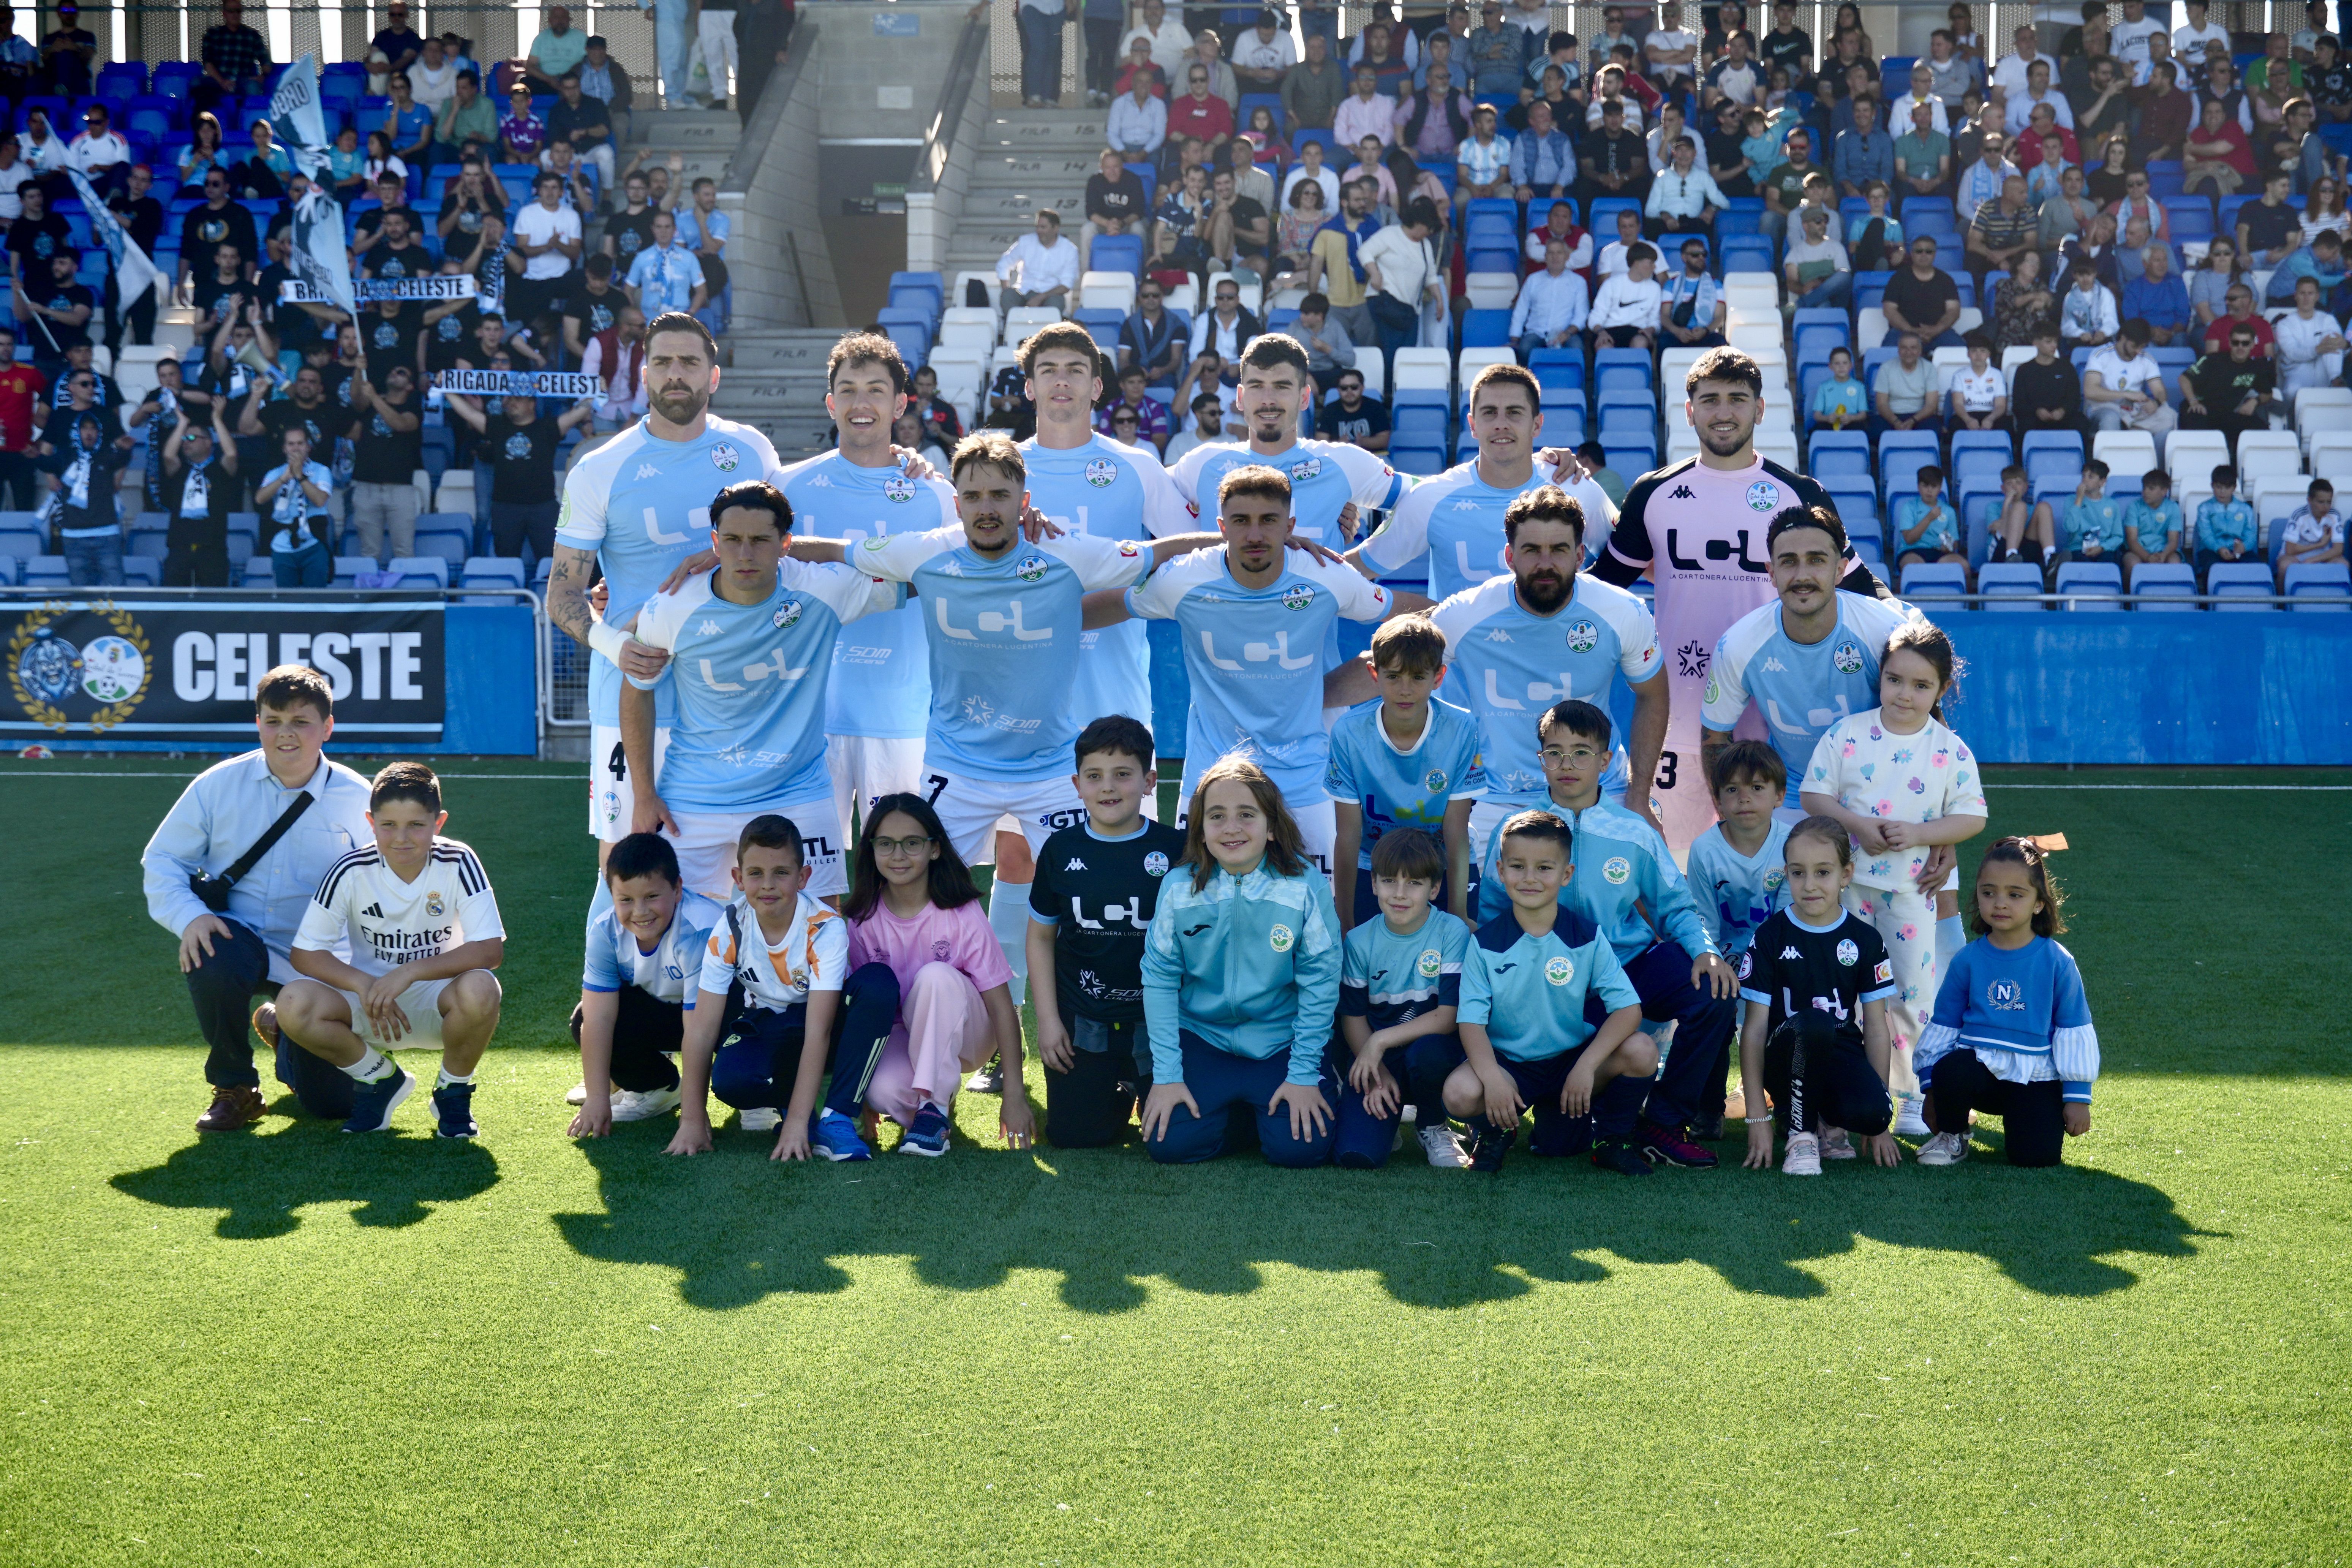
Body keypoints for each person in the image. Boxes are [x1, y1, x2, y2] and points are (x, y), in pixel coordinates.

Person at [551, 314, 786, 859]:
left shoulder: (754, 454)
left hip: (736, 700)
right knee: (627, 866)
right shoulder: (599, 469)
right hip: (633, 700)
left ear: (714, 376)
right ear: (644, 373)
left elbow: (792, 550)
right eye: (662, 363)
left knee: (740, 869)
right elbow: (562, 594)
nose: (675, 375)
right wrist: (617, 645)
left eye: (689, 363)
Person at [611, 477, 898, 904]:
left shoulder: (821, 591)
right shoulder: (673, 606)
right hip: (694, 795)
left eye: (761, 541)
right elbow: (637, 690)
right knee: (673, 927)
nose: (745, 554)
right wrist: (644, 795)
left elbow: (921, 571)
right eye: (732, 540)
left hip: (795, 791)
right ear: (714, 541)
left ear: (786, 544)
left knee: (819, 922)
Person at [1451, 731, 1706, 1171]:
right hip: (1518, 1060)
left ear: (1565, 875)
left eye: (1545, 869)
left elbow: (1630, 1003)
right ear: (1501, 869)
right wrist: (1492, 1075)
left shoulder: (1590, 931)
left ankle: (1627, 1134)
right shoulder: (1489, 936)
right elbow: (1471, 1014)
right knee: (1461, 1092)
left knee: (1659, 1036)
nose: (1530, 878)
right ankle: (1498, 1128)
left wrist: (1586, 1067)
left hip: (1587, 1033)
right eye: (1518, 867)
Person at [142, 667, 376, 1131]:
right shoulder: (218, 785)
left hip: (321, 957)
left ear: (327, 727)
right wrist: (190, 917)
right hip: (239, 936)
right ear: (258, 724)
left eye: (301, 722)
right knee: (210, 952)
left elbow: (382, 889)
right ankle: (236, 1087)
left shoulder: (358, 798)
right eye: (273, 721)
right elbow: (164, 859)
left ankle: (282, 1030)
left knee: (334, 1105)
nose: (285, 734)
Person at [1796, 620, 1984, 1135]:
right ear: (1881, 677)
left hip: (1910, 895)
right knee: (1839, 993)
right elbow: (1814, 796)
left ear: (1943, 690)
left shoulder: (1949, 750)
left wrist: (1921, 832)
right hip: (1845, 895)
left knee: (1910, 995)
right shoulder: (1848, 734)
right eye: (1895, 680)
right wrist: (1856, 826)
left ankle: (1909, 1102)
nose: (1905, 694)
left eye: (1921, 686)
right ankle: (1838, 1097)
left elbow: (1972, 817)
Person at [269, 763, 505, 1139]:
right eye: (388, 825)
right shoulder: (350, 869)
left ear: (438, 823)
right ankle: (379, 1079)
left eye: (417, 825)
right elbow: (305, 954)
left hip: (440, 1005)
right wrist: (363, 984)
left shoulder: (459, 860)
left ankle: (453, 1090)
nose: (402, 839)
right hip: (372, 1006)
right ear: (370, 821)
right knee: (293, 1002)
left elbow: (490, 950)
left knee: (483, 987)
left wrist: (408, 972)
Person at [1137, 756, 1344, 1167]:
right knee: (1169, 1145)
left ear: (1271, 826)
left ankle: (1274, 1109)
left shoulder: (1303, 885)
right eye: (1217, 816)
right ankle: (1248, 1114)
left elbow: (1321, 981)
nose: (1231, 828)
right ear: (1200, 829)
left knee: (1300, 1150)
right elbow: (1159, 980)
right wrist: (1167, 1075)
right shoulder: (1179, 888)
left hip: (1278, 1041)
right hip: (1203, 1038)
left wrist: (1303, 1074)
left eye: (1246, 815)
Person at [664, 815, 896, 1162]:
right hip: (769, 1024)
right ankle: (794, 1101)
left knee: (878, 982)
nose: (768, 885)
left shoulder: (824, 928)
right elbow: (701, 1030)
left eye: (782, 873)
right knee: (731, 1081)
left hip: (826, 1029)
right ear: (738, 879)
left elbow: (820, 1030)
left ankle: (836, 1115)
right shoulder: (729, 928)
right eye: (756, 874)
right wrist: (693, 1120)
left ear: (803, 878)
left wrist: (797, 1127)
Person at [835, 794, 1031, 1154]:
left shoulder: (961, 913)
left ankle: (934, 1109)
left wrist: (1015, 1096)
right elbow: (860, 1014)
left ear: (935, 849)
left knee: (936, 977)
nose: (898, 855)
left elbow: (1003, 1008)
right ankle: (933, 1103)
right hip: (903, 1034)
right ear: (871, 851)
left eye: (912, 843)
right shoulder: (862, 921)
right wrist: (859, 1096)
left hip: (969, 1035)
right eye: (885, 844)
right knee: (884, 1092)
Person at [1024, 716, 1185, 1148]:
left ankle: (1138, 1081)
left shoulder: (1176, 850)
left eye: (1123, 775)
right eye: (1095, 777)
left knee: (1173, 1139)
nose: (1108, 788)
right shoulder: (1061, 849)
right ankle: (1115, 1091)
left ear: (1150, 781)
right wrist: (1048, 1021)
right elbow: (1040, 937)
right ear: (1078, 785)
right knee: (1075, 1138)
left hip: (1161, 1022)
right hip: (1084, 1020)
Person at [1700, 506, 1917, 811]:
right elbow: (1715, 738)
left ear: (1840, 570)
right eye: (1789, 562)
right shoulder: (1740, 644)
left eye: (1817, 560)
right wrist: (1728, 816)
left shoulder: (1885, 632)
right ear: (1772, 572)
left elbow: (1930, 721)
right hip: (1792, 797)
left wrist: (1937, 815)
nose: (1802, 576)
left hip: (1883, 791)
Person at [1914, 838, 2099, 1168]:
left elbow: (2075, 1029)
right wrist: (1933, 1094)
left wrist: (2077, 1097)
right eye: (1989, 893)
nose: (2000, 903)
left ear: (2039, 903)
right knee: (1952, 1070)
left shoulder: (2058, 962)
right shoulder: (1967, 960)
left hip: (2035, 1077)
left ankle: (2031, 1120)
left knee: (2035, 1158)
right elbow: (1944, 1025)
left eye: (2015, 895)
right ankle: (1954, 1135)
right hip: (1978, 1073)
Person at [1734, 814, 1901, 1175]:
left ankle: (1827, 1122)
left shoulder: (1865, 939)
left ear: (1846, 874)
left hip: (1838, 1052)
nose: (1809, 885)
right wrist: (1755, 1117)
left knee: (1873, 1112)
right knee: (1813, 1025)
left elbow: (1875, 1027)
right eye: (1798, 873)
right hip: (1786, 1055)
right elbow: (1754, 1031)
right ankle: (1800, 1133)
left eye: (1823, 872)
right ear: (1787, 874)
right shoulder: (1770, 937)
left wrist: (1881, 1122)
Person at [1325, 615, 1485, 927]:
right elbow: (1348, 836)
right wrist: (1344, 923)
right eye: (1394, 676)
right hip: (1371, 865)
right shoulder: (1348, 732)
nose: (1405, 689)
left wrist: (1457, 918)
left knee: (1446, 966)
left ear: (1439, 677)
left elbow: (1456, 827)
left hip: (1442, 864)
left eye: (1418, 677)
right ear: (1374, 673)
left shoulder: (1462, 727)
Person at [1331, 826, 1474, 1169]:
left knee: (1429, 1054)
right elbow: (1352, 1018)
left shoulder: (1451, 932)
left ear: (1435, 888)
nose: (1400, 893)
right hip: (1376, 1056)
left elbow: (1448, 1015)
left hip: (1427, 1049)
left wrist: (1380, 1040)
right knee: (1357, 1155)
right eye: (1389, 881)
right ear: (1374, 884)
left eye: (1414, 883)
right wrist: (1377, 1070)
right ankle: (1387, 1119)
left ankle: (1431, 1125)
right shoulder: (1360, 941)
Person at [566, 831, 724, 1132]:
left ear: (678, 889)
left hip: (720, 1017)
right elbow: (598, 1018)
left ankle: (758, 1097)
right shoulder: (605, 930)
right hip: (670, 1013)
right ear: (611, 895)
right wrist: (597, 1098)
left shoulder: (700, 929)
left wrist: (693, 1119)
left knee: (738, 1077)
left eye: (652, 896)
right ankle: (659, 1088)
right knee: (585, 1016)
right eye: (626, 900)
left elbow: (700, 1028)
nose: (640, 911)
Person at [1685, 740, 1791, 969]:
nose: (1744, 798)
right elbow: (1704, 923)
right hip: (1722, 958)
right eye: (1732, 790)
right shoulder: (1704, 850)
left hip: (1778, 956)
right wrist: (1714, 967)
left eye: (1757, 787)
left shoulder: (1792, 844)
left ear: (1780, 796)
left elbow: (1789, 922)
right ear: (1718, 801)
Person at [157, 401, 237, 586]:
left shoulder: (219, 470)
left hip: (213, 547)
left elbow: (231, 454)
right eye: (184, 440)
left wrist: (217, 420)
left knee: (215, 603)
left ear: (209, 442)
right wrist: (182, 424)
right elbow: (168, 456)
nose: (186, 444)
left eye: (192, 439)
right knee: (173, 601)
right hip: (180, 546)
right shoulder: (180, 469)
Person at [2083, 318, 2178, 456]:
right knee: (2111, 418)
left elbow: (2160, 391)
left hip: (2133, 411)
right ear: (2123, 338)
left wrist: (2156, 403)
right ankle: (2111, 467)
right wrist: (2125, 394)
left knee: (2169, 417)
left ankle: (2156, 469)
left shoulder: (2147, 359)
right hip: (2103, 407)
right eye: (2135, 346)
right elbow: (2090, 391)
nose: (2139, 351)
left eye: (2143, 347)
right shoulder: (2101, 355)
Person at [2179, 328, 2283, 453]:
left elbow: (2268, 393)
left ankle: (2240, 469)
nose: (2240, 347)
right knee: (2198, 430)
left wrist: (2255, 401)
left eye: (2245, 343)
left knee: (2259, 429)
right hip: (2201, 410)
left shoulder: (2255, 368)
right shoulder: (2212, 360)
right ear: (2229, 343)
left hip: (2227, 414)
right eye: (2236, 343)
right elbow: (2184, 379)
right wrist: (2193, 401)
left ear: (2252, 345)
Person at [253, 427, 334, 588]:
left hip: (313, 543)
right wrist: (284, 478)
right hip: (283, 545)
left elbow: (320, 501)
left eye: (300, 443)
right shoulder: (275, 473)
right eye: (291, 444)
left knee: (315, 600)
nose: (296, 448)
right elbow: (260, 499)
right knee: (286, 601)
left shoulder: (321, 470)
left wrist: (300, 477)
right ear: (284, 448)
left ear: (308, 447)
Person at [1509, 235, 1589, 360]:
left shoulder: (1579, 282)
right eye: (1551, 253)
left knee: (1577, 349)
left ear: (1567, 257)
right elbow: (1521, 311)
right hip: (1537, 333)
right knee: (1525, 349)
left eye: (1559, 253)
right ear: (1545, 257)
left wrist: (1567, 333)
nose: (1555, 257)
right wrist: (1515, 338)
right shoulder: (1533, 280)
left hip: (1566, 333)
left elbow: (1582, 315)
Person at [2037, 458, 2124, 570]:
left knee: (2107, 565)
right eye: (2083, 476)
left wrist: (2102, 547)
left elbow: (2118, 536)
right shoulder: (2071, 501)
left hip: (2103, 549)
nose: (2085, 480)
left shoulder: (2112, 505)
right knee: (2082, 565)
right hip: (2077, 548)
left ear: (2102, 482)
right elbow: (2070, 528)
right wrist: (2079, 500)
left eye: (2091, 477)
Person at [2275, 275, 2349, 394]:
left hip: (2325, 370)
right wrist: (2318, 350)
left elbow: (2340, 349)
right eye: (2302, 293)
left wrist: (2346, 345)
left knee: (2332, 337)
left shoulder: (2327, 319)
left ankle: (2336, 378)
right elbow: (2292, 353)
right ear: (2295, 296)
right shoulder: (2284, 324)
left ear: (2317, 297)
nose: (2306, 298)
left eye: (2310, 294)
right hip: (2297, 370)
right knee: (2292, 391)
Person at [996, 208, 1080, 312]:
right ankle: (1015, 326)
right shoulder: (1026, 242)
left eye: (1043, 227)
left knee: (1056, 303)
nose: (1039, 231)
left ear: (1056, 228)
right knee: (1008, 296)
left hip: (1050, 294)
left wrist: (1041, 297)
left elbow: (1067, 285)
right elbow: (1004, 264)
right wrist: (1006, 289)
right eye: (1037, 227)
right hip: (1023, 291)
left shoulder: (1070, 250)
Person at [1892, 464, 1966, 578]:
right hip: (1912, 551)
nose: (1930, 490)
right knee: (1914, 568)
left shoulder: (1949, 511)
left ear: (1940, 488)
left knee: (1964, 567)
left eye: (1934, 486)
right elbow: (1909, 539)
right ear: (1918, 487)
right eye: (1925, 486)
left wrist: (1949, 547)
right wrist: (1929, 518)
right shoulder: (1909, 508)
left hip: (1940, 553)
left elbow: (1954, 542)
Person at [2191, 465, 2258, 582]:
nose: (2222, 492)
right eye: (2219, 487)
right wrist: (2219, 548)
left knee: (2256, 567)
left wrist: (2244, 547)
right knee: (2211, 567)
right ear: (2212, 486)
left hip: (2241, 552)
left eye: (2227, 488)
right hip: (2212, 551)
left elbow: (2251, 534)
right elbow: (2206, 535)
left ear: (2234, 488)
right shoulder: (2204, 508)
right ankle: (2209, 600)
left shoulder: (2245, 509)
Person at [2276, 478, 2346, 586]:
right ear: (2309, 500)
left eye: (2329, 502)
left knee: (2343, 564)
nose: (2326, 507)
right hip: (2297, 556)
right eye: (2321, 502)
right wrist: (2321, 544)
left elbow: (2338, 550)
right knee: (2285, 565)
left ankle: (2336, 601)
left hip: (2322, 555)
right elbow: (2290, 550)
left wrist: (2312, 560)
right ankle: (2281, 602)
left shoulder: (2335, 515)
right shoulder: (2299, 515)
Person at [1872, 330, 1941, 438]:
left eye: (1913, 348)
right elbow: (1882, 404)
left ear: (1920, 350)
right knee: (1876, 433)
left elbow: (1931, 405)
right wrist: (1896, 422)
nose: (1909, 352)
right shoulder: (1886, 368)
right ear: (1899, 350)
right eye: (1904, 348)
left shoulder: (1929, 369)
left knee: (1932, 432)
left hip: (1919, 416)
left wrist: (1913, 421)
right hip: (1892, 415)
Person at [2120, 468, 2184, 584]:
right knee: (2132, 564)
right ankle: (2129, 600)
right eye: (2144, 488)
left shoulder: (2173, 508)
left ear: (2164, 491)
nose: (2146, 492)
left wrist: (2164, 555)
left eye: (2151, 489)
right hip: (2138, 551)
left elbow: (2174, 540)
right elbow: (2132, 540)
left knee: (2175, 563)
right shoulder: (2134, 507)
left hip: (2165, 551)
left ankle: (2171, 598)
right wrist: (2148, 557)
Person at [1949, 334, 2008, 432]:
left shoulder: (1997, 375)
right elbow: (1958, 404)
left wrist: (1990, 419)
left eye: (1983, 351)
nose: (1978, 355)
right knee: (1955, 426)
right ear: (1968, 354)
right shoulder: (1959, 375)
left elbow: (2001, 405)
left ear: (1989, 354)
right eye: (1974, 351)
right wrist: (1968, 420)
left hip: (1991, 413)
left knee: (2005, 426)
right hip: (1968, 413)